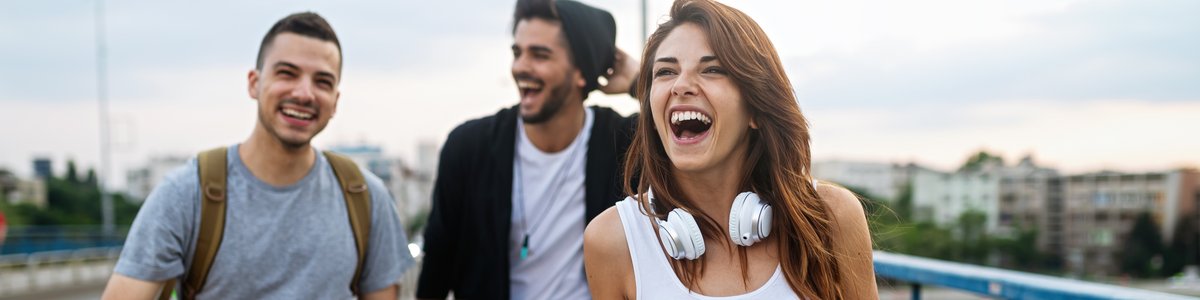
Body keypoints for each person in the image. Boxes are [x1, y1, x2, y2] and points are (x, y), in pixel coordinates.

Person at [101, 12, 413, 299]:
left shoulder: (365, 197)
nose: (304, 93)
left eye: (323, 81)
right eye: (287, 73)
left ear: (335, 101)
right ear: (254, 83)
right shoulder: (188, 193)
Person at [583, 0, 877, 299]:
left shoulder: (831, 216)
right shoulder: (613, 240)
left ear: (755, 109)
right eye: (666, 72)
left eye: (712, 69)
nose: (681, 85)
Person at [415, 0, 640, 299]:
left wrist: (640, 82)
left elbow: (682, 128)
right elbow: (437, 266)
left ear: (580, 71)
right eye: (517, 52)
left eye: (540, 55)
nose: (520, 67)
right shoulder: (468, 147)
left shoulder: (626, 143)